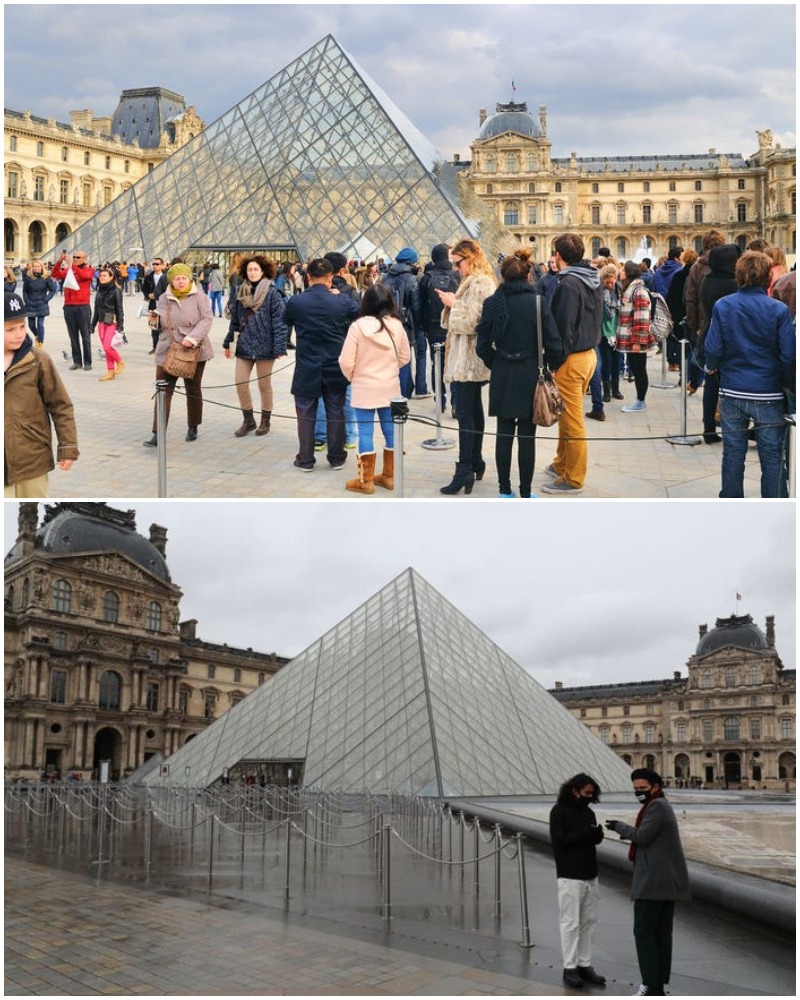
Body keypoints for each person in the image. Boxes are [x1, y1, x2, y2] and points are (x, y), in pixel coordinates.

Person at [703, 250, 795, 498]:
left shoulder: (724, 305)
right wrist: (788, 388)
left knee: (733, 454)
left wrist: (711, 365)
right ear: (768, 277)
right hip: (769, 392)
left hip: (733, 390)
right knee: (772, 456)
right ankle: (773, 507)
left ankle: (733, 506)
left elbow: (713, 348)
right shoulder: (779, 311)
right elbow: (788, 355)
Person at [476, 248, 563, 498]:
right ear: (528, 276)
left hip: (503, 373)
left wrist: (498, 362)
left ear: (502, 277)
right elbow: (554, 344)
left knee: (503, 434)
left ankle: (505, 490)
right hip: (530, 374)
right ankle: (525, 492)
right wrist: (547, 366)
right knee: (527, 436)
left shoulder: (493, 303)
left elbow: (482, 346)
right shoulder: (537, 302)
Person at [605, 768, 690, 998]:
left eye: (642, 789)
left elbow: (642, 837)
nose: (638, 793)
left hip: (653, 881)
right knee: (660, 934)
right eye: (635, 789)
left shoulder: (657, 806)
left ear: (655, 786)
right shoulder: (659, 804)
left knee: (644, 933)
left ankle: (649, 986)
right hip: (664, 881)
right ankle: (657, 986)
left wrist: (618, 827)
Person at [283, 258, 360, 472]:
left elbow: (285, 320)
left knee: (306, 412)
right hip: (334, 364)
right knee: (336, 410)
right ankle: (336, 457)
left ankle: (305, 459)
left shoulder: (297, 301)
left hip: (307, 364)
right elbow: (360, 313)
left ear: (308, 277)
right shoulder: (341, 301)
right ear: (330, 278)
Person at [541, 233, 601, 495]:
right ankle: (561, 463)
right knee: (566, 416)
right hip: (589, 354)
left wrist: (552, 363)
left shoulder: (568, 285)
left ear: (558, 255)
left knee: (572, 420)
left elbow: (562, 330)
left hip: (571, 358)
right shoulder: (592, 279)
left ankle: (573, 478)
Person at [4, 292, 79, 497]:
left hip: (32, 459)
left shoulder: (38, 360)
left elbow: (60, 405)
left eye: (22, 326)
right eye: (10, 329)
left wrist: (68, 447)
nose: (19, 334)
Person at [338, 283, 411, 494]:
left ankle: (366, 481)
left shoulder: (358, 326)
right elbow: (405, 356)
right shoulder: (397, 325)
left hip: (364, 386)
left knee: (365, 432)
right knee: (391, 432)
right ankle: (389, 476)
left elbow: (345, 360)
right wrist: (389, 369)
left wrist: (355, 376)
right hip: (390, 387)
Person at [438, 239, 497, 494]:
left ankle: (464, 470)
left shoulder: (482, 282)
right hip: (467, 358)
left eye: (457, 263)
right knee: (473, 409)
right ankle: (476, 462)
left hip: (469, 360)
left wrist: (453, 304)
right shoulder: (475, 279)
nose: (455, 268)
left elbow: (477, 320)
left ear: (470, 257)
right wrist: (451, 305)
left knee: (465, 413)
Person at [143, 263, 214, 447]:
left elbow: (207, 319)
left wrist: (192, 338)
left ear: (189, 278)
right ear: (171, 281)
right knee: (163, 391)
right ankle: (157, 433)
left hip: (193, 349)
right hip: (168, 348)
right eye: (177, 278)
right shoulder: (164, 298)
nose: (181, 281)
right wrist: (154, 320)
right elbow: (160, 323)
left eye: (183, 278)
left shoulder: (200, 297)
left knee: (193, 389)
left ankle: (193, 425)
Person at [549, 774, 607, 990]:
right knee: (570, 923)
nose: (590, 797)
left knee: (588, 922)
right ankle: (570, 967)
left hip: (590, 874)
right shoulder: (559, 811)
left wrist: (597, 836)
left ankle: (585, 964)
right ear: (575, 791)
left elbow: (588, 840)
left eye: (592, 794)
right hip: (569, 875)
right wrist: (585, 833)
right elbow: (560, 841)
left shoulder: (588, 811)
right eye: (587, 793)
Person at [223, 255, 288, 437]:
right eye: (250, 270)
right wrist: (228, 341)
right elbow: (235, 321)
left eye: (256, 269)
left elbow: (280, 322)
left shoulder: (273, 294)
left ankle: (265, 420)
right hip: (244, 345)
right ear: (245, 271)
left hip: (265, 346)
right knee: (240, 382)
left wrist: (279, 346)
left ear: (263, 271)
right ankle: (248, 419)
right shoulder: (238, 292)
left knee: (263, 384)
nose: (252, 273)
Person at [697, 244, 741, 444]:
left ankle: (708, 428)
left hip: (708, 333)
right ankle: (734, 428)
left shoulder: (707, 280)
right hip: (730, 338)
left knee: (711, 386)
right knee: (731, 386)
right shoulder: (734, 284)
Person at [418, 243, 460, 413]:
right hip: (453, 326)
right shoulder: (457, 276)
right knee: (455, 365)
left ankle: (439, 401)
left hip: (433, 328)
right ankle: (456, 403)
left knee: (437, 364)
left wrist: (423, 326)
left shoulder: (426, 278)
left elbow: (419, 306)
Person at [683, 229, 725, 394]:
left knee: (705, 362)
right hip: (726, 322)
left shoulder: (697, 267)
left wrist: (695, 325)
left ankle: (700, 387)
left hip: (704, 322)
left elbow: (690, 299)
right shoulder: (733, 264)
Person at [381, 247, 426, 398]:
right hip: (406, 323)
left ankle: (394, 389)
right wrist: (420, 325)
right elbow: (417, 305)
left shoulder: (385, 278)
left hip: (387, 322)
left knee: (392, 357)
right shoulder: (411, 279)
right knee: (405, 357)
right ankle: (404, 391)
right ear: (412, 263)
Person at [615, 261, 655, 414]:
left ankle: (640, 401)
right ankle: (639, 399)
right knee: (637, 368)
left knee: (639, 369)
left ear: (629, 273)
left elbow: (642, 318)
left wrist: (638, 341)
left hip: (635, 340)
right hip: (630, 339)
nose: (620, 271)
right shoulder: (629, 289)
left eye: (623, 270)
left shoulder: (638, 291)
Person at [51, 249, 95, 370]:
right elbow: (55, 274)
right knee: (73, 335)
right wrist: (59, 262)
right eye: (74, 257)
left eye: (78, 257)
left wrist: (71, 265)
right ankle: (77, 361)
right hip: (69, 306)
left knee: (85, 336)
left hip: (82, 306)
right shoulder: (70, 270)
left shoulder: (89, 269)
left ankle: (87, 362)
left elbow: (85, 276)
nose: (75, 259)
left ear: (84, 259)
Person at [90, 266, 125, 382]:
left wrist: (120, 326)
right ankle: (110, 372)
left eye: (105, 275)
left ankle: (120, 362)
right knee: (105, 349)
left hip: (111, 322)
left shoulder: (116, 290)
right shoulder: (99, 290)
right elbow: (96, 309)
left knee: (108, 346)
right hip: (101, 322)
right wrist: (92, 324)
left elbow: (119, 309)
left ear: (111, 277)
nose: (102, 277)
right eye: (100, 275)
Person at [21, 261, 57, 348]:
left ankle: (40, 342)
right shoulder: (28, 278)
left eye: (38, 266)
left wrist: (46, 299)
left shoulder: (46, 278)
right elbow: (25, 291)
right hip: (30, 303)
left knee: (40, 324)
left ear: (41, 267)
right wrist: (26, 300)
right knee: (31, 325)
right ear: (32, 268)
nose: (36, 268)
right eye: (35, 266)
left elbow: (52, 290)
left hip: (42, 303)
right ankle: (38, 335)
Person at [142, 257, 169, 354]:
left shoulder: (167, 277)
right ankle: (155, 346)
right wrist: (148, 295)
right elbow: (144, 289)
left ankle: (165, 347)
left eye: (157, 264)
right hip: (153, 305)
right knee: (154, 327)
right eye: (153, 264)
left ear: (162, 265)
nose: (154, 266)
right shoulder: (148, 277)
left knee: (166, 327)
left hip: (166, 305)